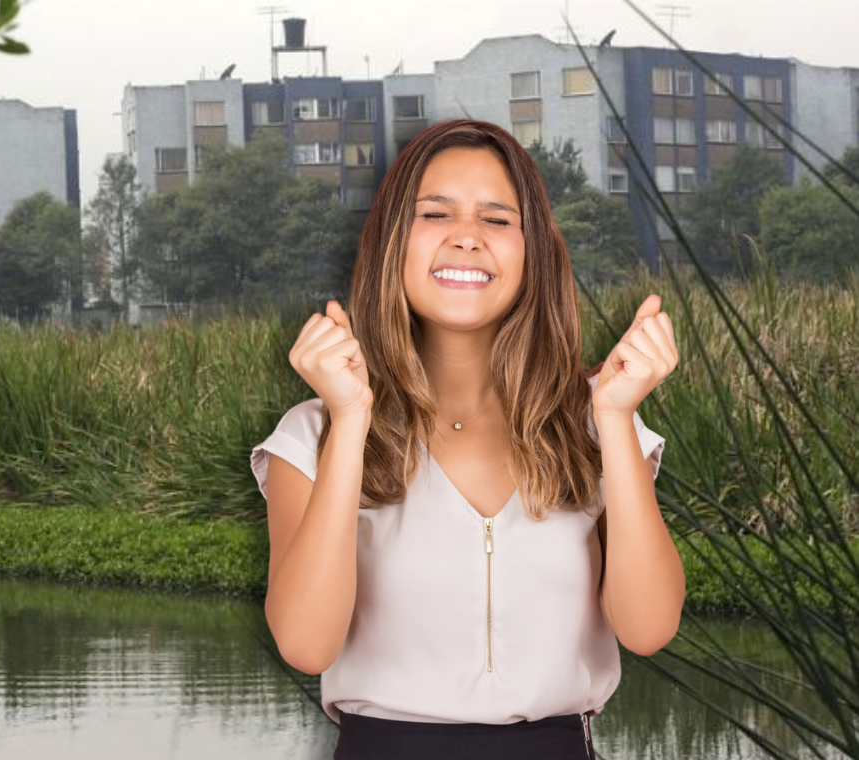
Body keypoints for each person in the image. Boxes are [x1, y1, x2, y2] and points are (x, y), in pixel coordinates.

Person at [249, 119, 683, 759]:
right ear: (393, 241)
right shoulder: (312, 433)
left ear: (533, 250)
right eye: (436, 213)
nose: (467, 238)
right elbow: (307, 645)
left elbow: (647, 630)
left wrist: (616, 419)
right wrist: (350, 419)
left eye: (498, 220)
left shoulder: (595, 428)